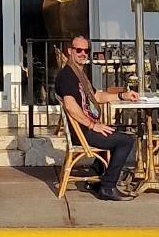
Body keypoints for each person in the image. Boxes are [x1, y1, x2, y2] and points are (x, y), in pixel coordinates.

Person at [54, 35, 139, 200]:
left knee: (117, 132)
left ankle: (93, 178)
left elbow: (97, 96)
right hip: (82, 132)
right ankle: (108, 186)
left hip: (85, 129)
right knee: (125, 141)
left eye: (86, 50)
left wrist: (123, 95)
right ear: (70, 51)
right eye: (78, 50)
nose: (83, 53)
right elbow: (71, 106)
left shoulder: (79, 74)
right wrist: (93, 125)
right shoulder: (67, 76)